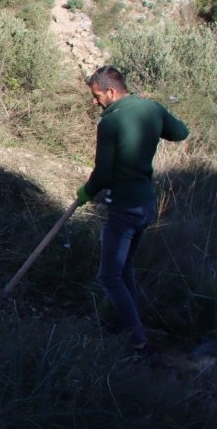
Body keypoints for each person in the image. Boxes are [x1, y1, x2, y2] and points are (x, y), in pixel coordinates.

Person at [76, 66, 189, 350]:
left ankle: (136, 339)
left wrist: (86, 193)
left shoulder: (110, 123)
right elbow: (180, 133)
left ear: (111, 92)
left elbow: (103, 173)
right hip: (146, 205)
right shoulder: (152, 108)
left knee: (108, 276)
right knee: (124, 268)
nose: (95, 102)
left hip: (123, 209)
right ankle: (127, 322)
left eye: (97, 95)